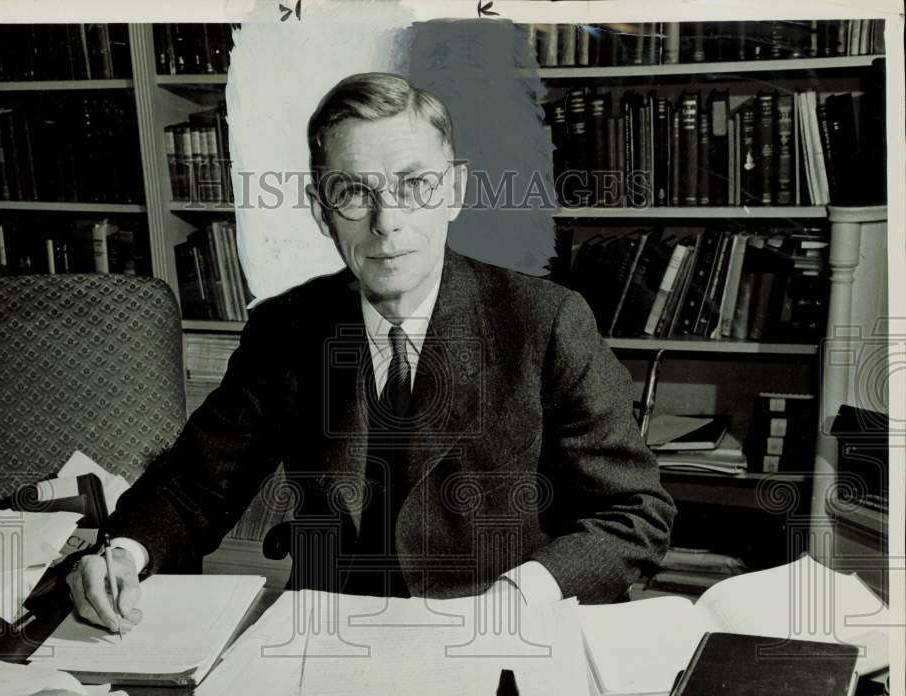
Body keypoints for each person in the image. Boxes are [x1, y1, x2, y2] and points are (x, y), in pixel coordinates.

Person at [66, 72, 676, 633]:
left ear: (454, 192)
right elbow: (195, 486)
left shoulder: (545, 320)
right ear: (320, 209)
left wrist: (520, 597)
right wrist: (123, 551)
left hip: (505, 635)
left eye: (414, 185)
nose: (387, 221)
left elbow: (633, 511)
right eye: (354, 192)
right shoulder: (286, 329)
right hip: (340, 637)